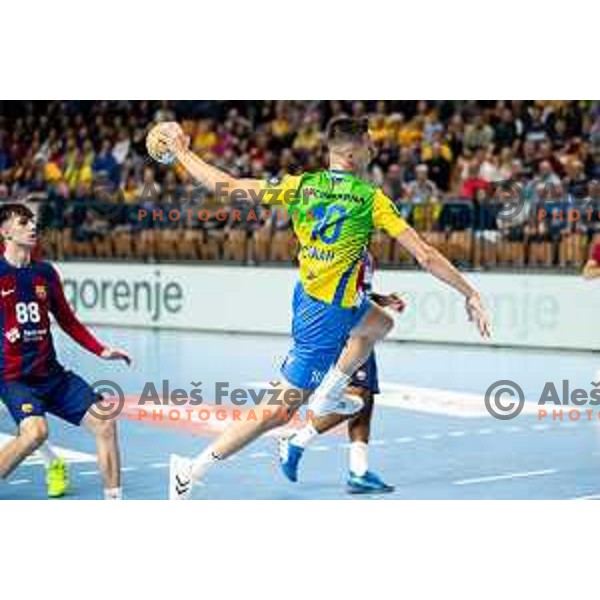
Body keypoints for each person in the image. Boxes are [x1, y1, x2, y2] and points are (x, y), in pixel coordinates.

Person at [150, 116, 491, 500]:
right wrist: (469, 292)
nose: (374, 149)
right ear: (351, 152)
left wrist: (183, 153)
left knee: (379, 324)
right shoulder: (370, 199)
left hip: (331, 300)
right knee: (277, 413)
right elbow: (425, 256)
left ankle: (329, 393)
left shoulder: (302, 186)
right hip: (324, 317)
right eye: (368, 144)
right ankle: (192, 471)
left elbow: (226, 186)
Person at [0, 203, 132, 499]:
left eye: (33, 221)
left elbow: (67, 320)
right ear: (5, 231)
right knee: (35, 432)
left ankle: (115, 503)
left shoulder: (45, 272)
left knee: (105, 420)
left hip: (52, 374)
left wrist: (101, 350)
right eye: (23, 222)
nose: (32, 227)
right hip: (15, 378)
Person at [278, 252, 405, 493]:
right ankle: (297, 442)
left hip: (361, 326)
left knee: (365, 398)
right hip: (348, 330)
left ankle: (359, 472)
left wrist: (384, 300)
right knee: (357, 397)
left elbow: (360, 294)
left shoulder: (364, 249)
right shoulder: (345, 246)